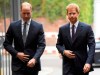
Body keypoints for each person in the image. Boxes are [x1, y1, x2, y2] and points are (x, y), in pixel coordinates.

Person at [3, 2, 45, 75]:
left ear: (31, 11)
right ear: (20, 11)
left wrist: (35, 59)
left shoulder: (38, 27)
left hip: (32, 66)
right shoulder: (13, 26)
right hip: (17, 66)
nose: (26, 16)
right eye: (24, 13)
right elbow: (6, 44)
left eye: (28, 13)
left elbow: (41, 45)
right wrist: (16, 54)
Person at [56, 3, 95, 75]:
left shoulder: (87, 28)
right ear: (67, 14)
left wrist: (88, 62)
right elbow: (58, 44)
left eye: (74, 13)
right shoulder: (62, 29)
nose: (71, 16)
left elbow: (92, 46)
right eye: (69, 13)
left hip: (83, 66)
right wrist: (64, 51)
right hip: (68, 66)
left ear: (78, 13)